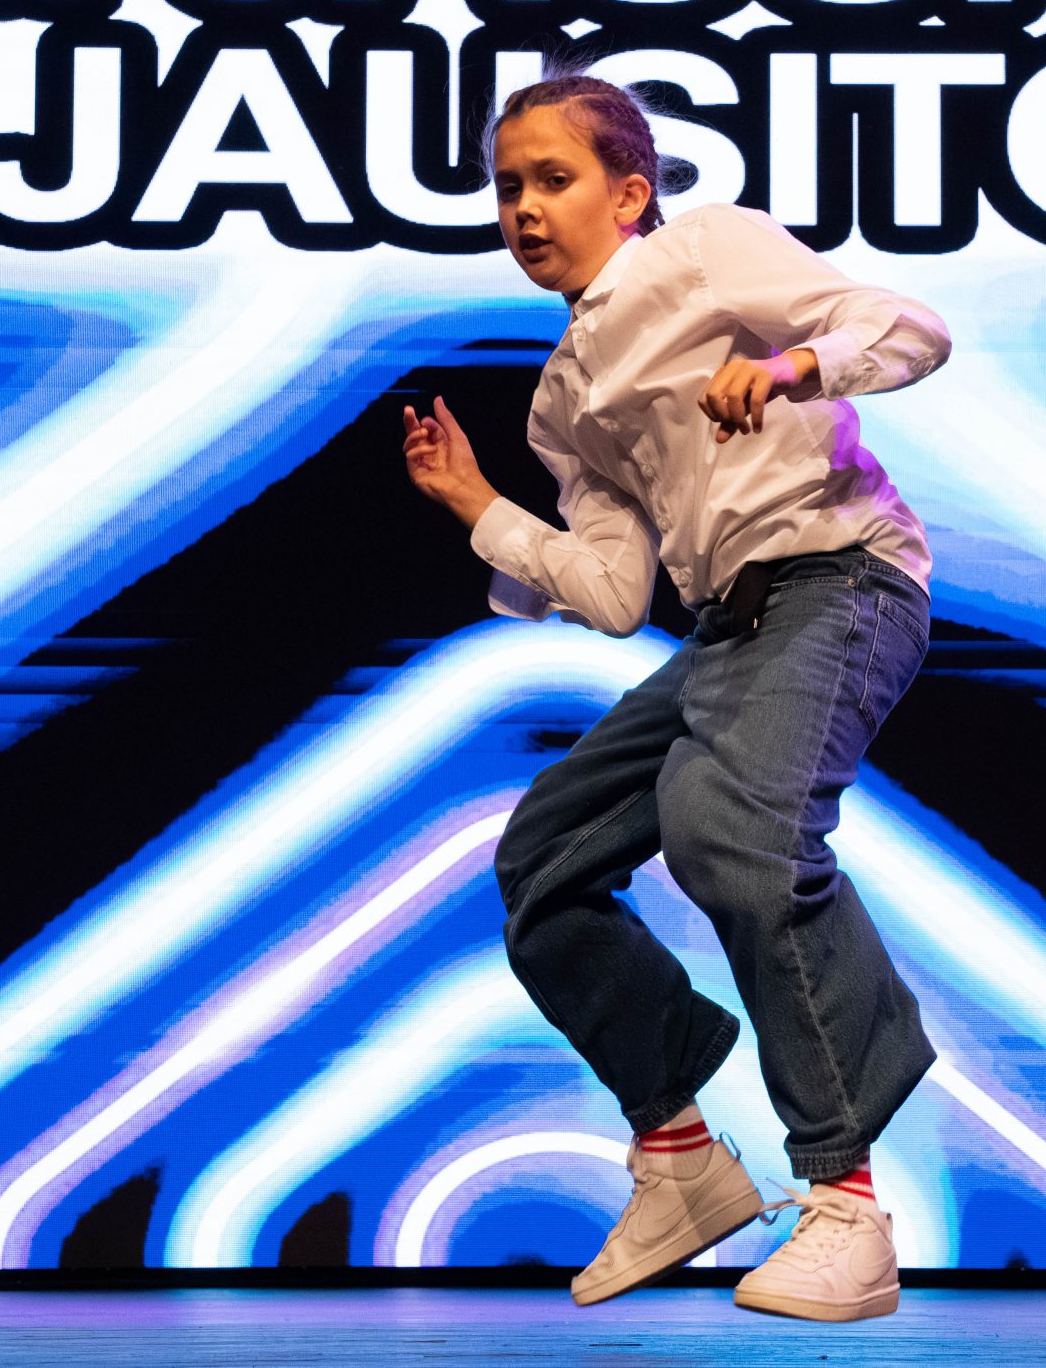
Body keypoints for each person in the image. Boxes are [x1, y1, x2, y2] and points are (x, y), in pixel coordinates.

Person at [400, 75, 949, 1323]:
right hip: (728, 630)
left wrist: (797, 364)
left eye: (554, 180)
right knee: (544, 857)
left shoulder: (702, 253)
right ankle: (679, 1154)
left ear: (628, 192)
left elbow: (909, 327)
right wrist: (477, 505)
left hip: (841, 578)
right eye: (508, 187)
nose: (524, 209)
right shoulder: (562, 395)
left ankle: (847, 1204)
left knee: (731, 835)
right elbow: (610, 592)